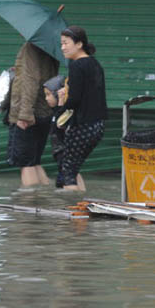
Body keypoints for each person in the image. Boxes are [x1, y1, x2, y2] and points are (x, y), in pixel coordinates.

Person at [55, 25, 107, 191]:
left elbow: (75, 99)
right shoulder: (95, 63)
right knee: (73, 168)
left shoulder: (77, 65)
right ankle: (79, 205)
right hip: (97, 125)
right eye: (61, 44)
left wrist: (60, 111)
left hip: (82, 124)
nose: (62, 47)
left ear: (79, 44)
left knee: (68, 170)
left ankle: (71, 211)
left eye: (66, 43)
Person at [5, 41, 59, 187]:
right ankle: (43, 195)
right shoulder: (50, 47)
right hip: (44, 110)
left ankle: (29, 203)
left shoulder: (31, 47)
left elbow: (30, 80)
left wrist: (25, 114)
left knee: (25, 163)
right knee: (34, 161)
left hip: (29, 112)